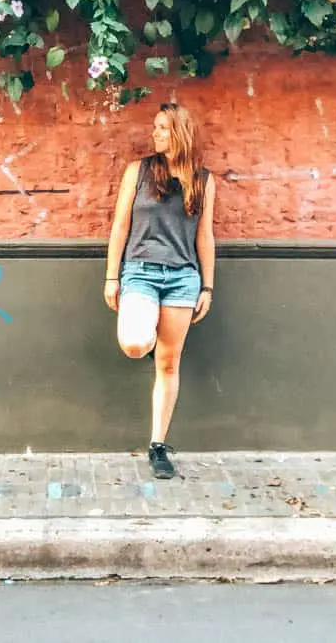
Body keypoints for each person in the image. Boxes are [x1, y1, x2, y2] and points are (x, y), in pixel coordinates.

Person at [104, 103, 216, 480]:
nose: (155, 134)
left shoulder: (203, 180)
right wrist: (111, 276)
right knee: (135, 344)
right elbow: (120, 226)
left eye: (163, 128)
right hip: (139, 273)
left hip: (183, 277)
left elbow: (205, 235)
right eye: (155, 127)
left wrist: (207, 285)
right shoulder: (138, 172)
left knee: (168, 364)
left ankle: (157, 445)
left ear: (180, 133)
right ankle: (147, 325)